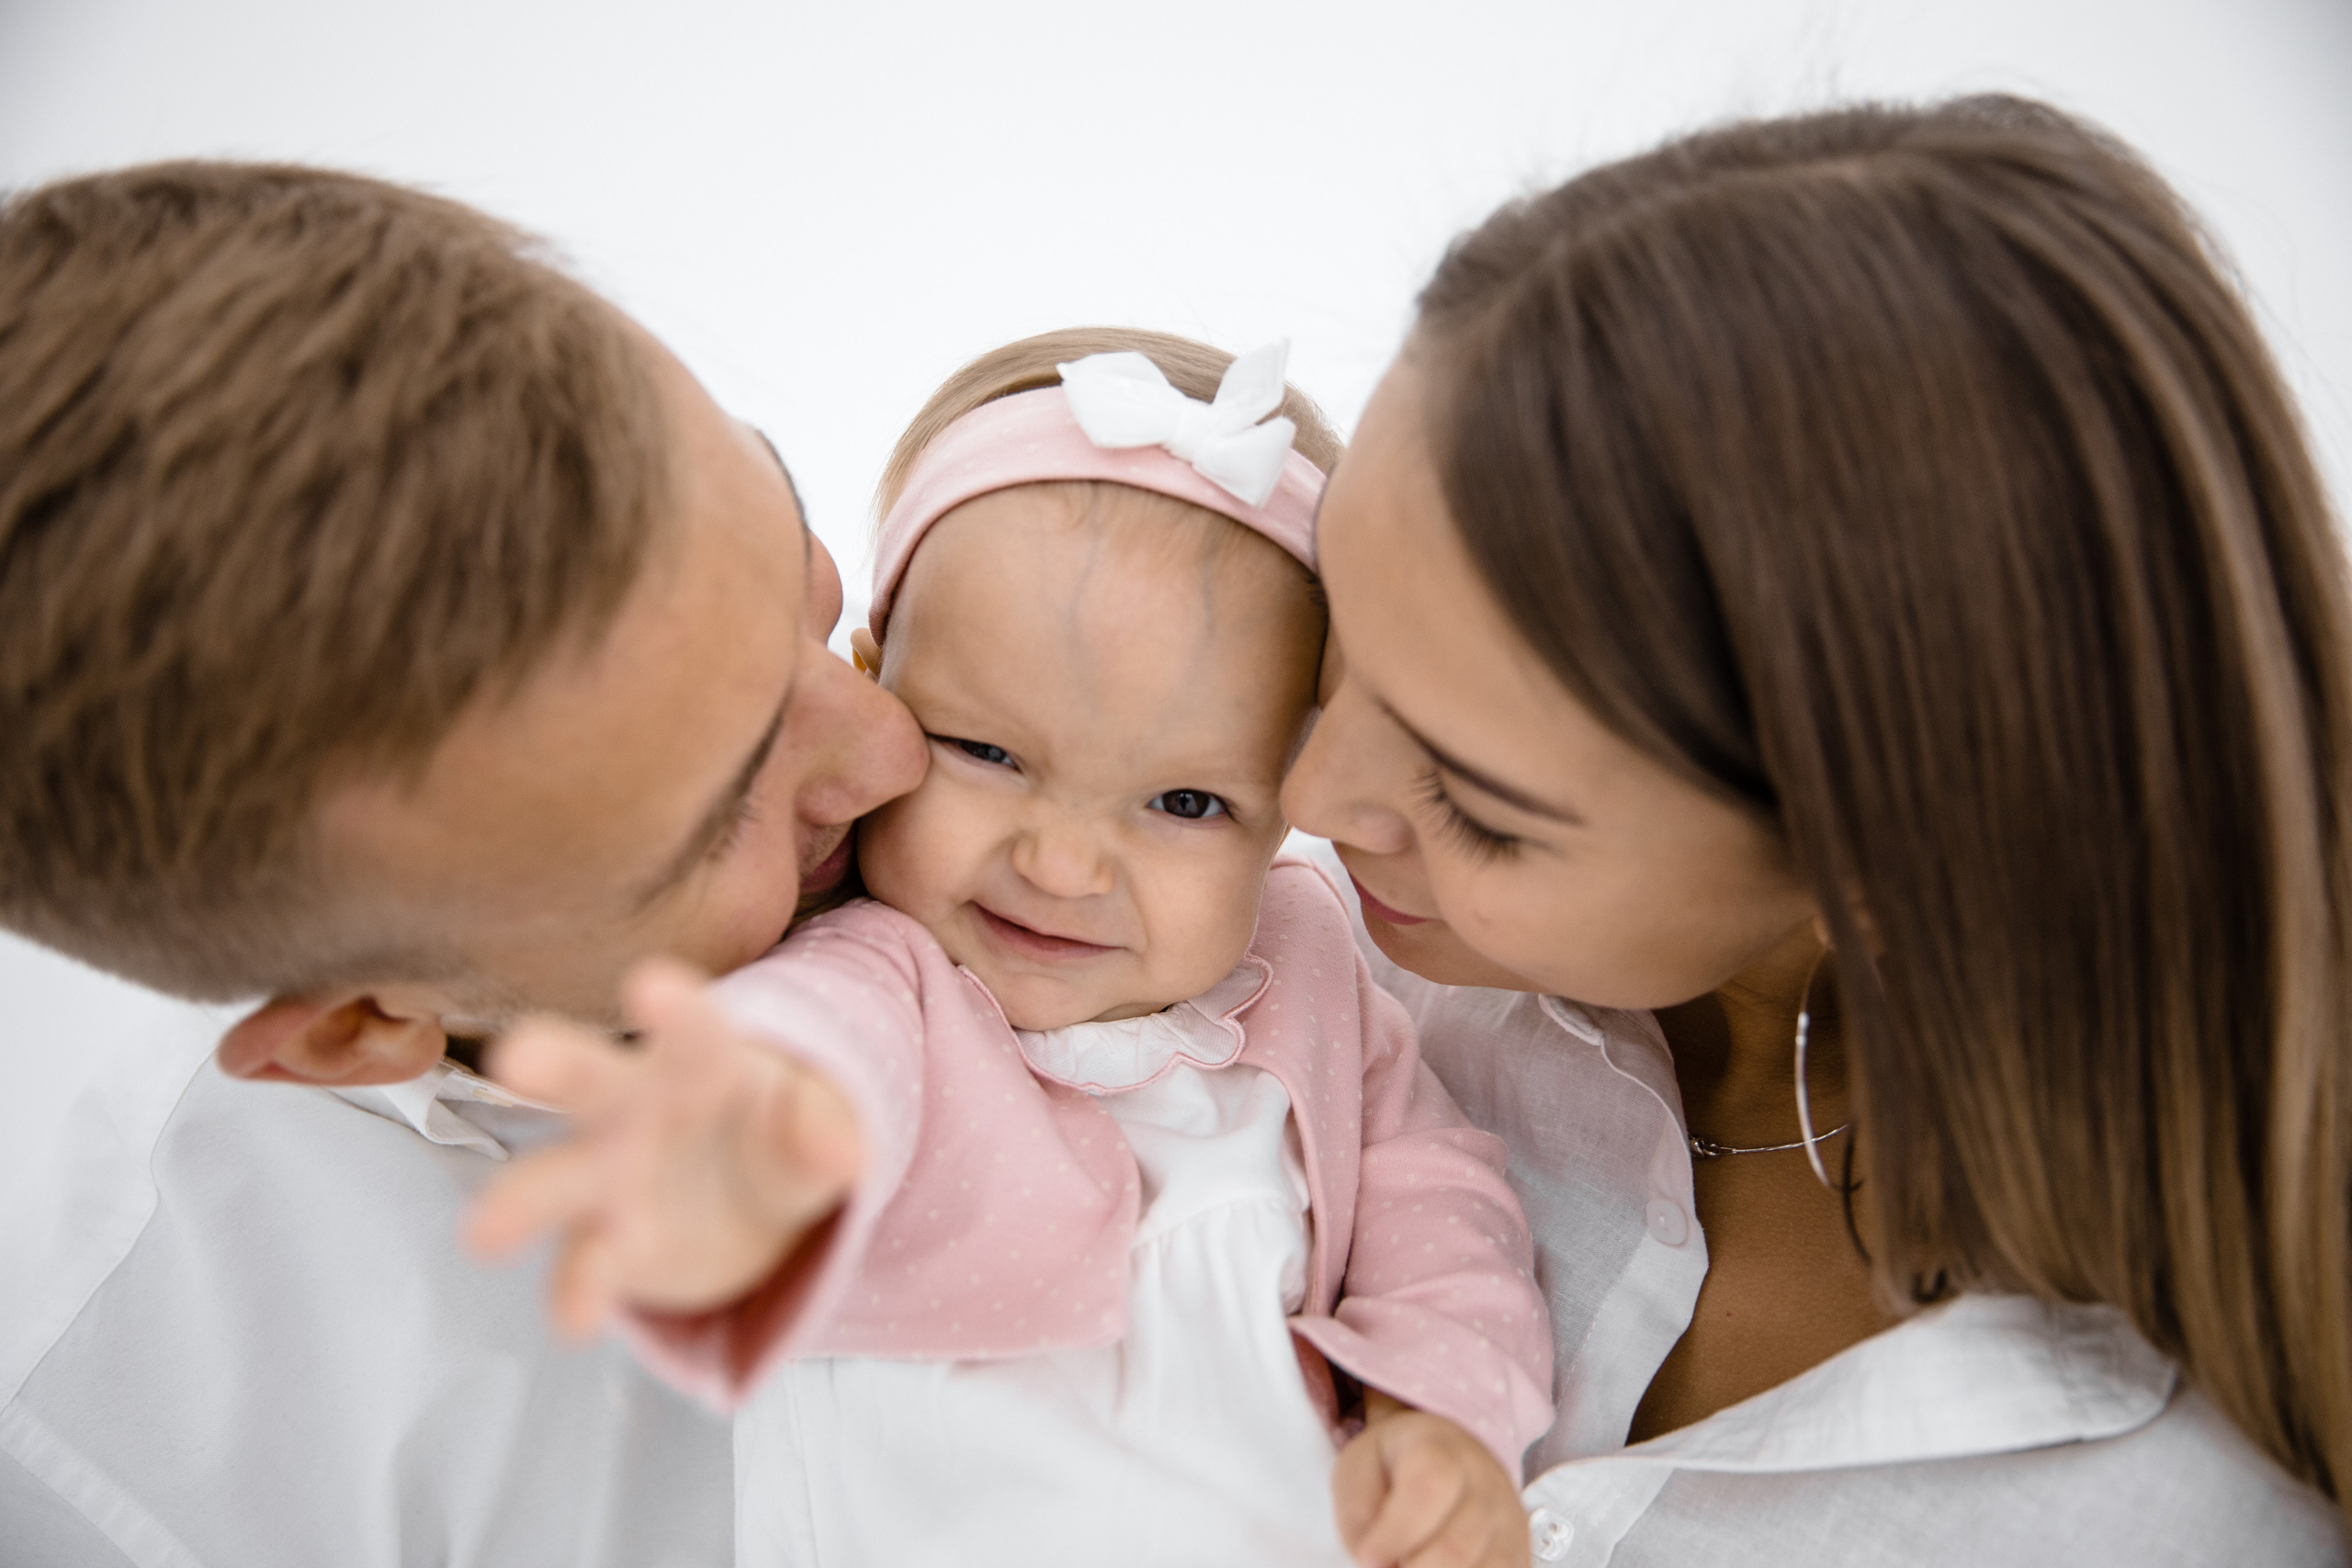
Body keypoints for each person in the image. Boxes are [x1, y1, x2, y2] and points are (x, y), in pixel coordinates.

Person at [1277, 96, 2352, 1563]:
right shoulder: (1288, 981)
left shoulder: (2185, 1520)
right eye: (1337, 629)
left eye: (1473, 800)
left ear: (1886, 870)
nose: (1302, 798)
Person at [465, 330, 1554, 1568]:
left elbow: (1439, 1203)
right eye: (988, 755)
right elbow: (812, 1063)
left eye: (1186, 805)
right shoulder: (885, 971)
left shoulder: (1309, 965)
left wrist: (1448, 1417)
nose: (1065, 866)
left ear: (1289, 797)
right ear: (881, 682)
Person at [0, 162, 924, 1564]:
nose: (899, 745)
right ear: (364, 1029)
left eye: (789, 560)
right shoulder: (157, 1486)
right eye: (727, 805)